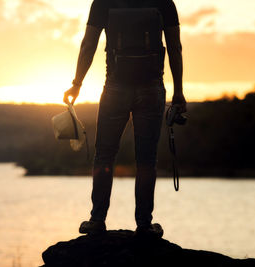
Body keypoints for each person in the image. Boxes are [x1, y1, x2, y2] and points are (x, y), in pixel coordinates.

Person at [63, 0, 186, 236]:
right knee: (146, 160)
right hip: (151, 89)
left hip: (115, 88)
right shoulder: (164, 3)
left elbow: (88, 44)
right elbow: (174, 47)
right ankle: (144, 224)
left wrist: (77, 84)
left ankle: (97, 220)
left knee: (104, 155)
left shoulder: (102, 2)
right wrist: (179, 91)